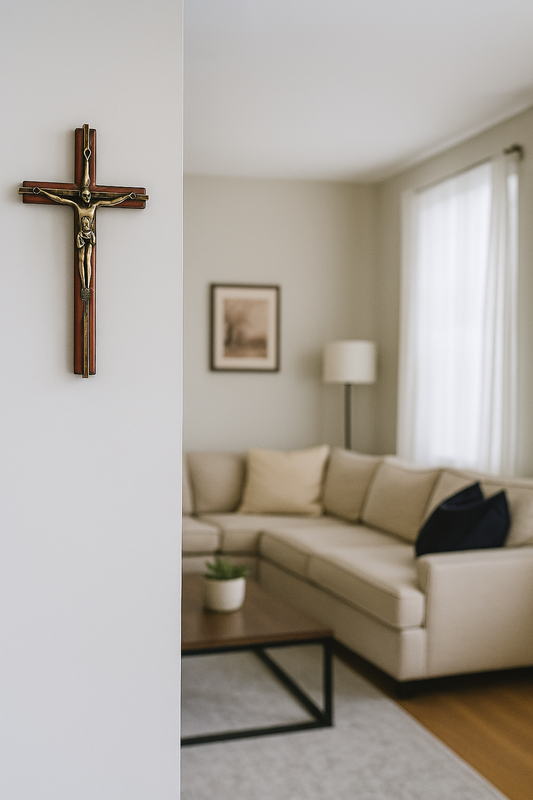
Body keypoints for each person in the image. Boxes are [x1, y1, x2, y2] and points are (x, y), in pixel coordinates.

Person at [33, 186, 135, 298]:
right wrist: (42, 192)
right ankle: (83, 286)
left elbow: (111, 201)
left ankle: (87, 285)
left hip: (90, 236)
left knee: (88, 260)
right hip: (81, 236)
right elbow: (60, 199)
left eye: (88, 195)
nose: (87, 197)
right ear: (81, 196)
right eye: (84, 195)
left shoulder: (94, 206)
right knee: (81, 260)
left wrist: (127, 196)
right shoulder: (78, 206)